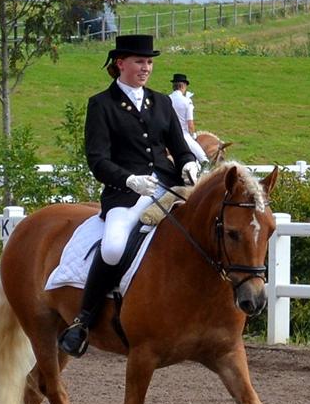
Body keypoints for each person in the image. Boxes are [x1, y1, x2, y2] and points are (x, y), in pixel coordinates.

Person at [58, 34, 199, 357]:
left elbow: (178, 146)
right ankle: (82, 320)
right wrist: (129, 180)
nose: (146, 68)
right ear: (120, 64)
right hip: (127, 194)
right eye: (139, 61)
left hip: (169, 188)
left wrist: (189, 163)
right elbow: (97, 159)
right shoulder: (101, 105)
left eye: (149, 62)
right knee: (112, 247)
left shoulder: (161, 101)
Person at [169, 73, 207, 162]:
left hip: (166, 135)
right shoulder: (187, 101)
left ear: (173, 86)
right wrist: (193, 136)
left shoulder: (166, 99)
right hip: (183, 135)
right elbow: (190, 123)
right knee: (203, 159)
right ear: (183, 86)